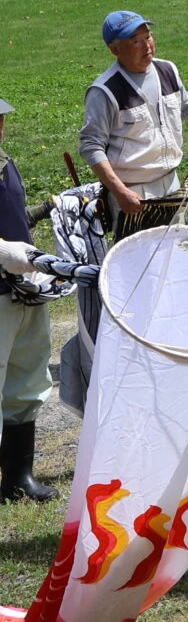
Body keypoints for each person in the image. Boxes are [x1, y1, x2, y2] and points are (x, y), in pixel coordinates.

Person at [79, 11, 188, 227]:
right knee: (141, 249)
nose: (147, 45)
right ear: (115, 49)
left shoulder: (167, 70)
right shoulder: (104, 91)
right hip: (134, 195)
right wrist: (119, 191)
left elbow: (186, 104)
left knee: (176, 244)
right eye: (135, 41)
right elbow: (91, 146)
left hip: (171, 185)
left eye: (148, 37)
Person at [0, 96, 56, 502]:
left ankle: (18, 478)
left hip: (23, 289)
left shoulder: (4, 161)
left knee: (27, 380)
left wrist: (46, 209)